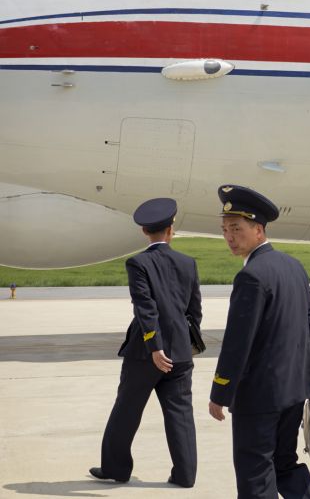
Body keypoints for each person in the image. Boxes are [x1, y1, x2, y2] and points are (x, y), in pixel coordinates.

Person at [209, 184, 310, 499]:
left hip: (260, 396)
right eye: (225, 230)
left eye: (237, 229)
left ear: (258, 230)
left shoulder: (252, 276)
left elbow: (237, 343)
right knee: (284, 463)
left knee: (255, 473)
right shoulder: (293, 266)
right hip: (294, 389)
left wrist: (220, 391)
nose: (229, 237)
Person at [90, 198, 201, 487]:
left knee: (126, 410)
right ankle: (185, 475)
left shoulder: (138, 263)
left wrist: (155, 346)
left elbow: (145, 307)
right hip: (180, 354)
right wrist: (184, 343)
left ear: (144, 231)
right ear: (171, 229)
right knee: (180, 414)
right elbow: (195, 310)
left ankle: (116, 469)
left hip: (145, 354)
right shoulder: (188, 263)